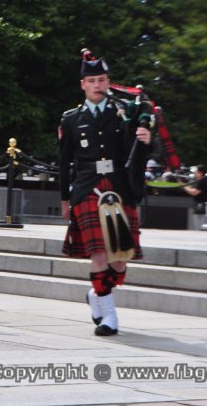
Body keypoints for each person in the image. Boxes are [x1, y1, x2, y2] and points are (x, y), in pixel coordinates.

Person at [59, 49, 151, 336]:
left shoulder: (125, 114)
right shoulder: (71, 119)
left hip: (119, 187)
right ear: (83, 84)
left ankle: (96, 294)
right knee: (98, 254)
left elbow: (138, 151)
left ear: (108, 82)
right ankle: (110, 316)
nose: (98, 84)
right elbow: (64, 163)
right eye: (92, 80)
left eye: (102, 79)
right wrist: (64, 199)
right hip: (87, 187)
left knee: (120, 258)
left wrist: (147, 139)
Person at [183, 165, 207, 230]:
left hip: (201, 205)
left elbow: (194, 192)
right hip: (200, 205)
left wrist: (183, 186)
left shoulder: (202, 180)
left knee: (199, 226)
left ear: (200, 173)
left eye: (196, 172)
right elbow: (191, 188)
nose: (194, 173)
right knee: (198, 225)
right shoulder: (200, 180)